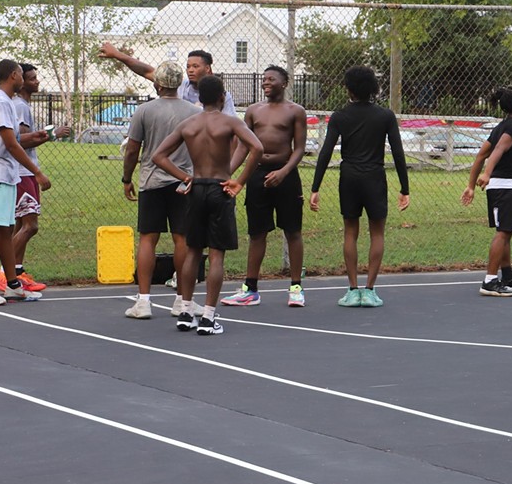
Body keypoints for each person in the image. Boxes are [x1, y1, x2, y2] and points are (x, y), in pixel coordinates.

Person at [152, 76, 262, 334]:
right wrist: (239, 182)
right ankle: (209, 317)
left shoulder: (188, 124)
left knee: (192, 251)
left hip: (197, 187)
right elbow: (256, 147)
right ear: (222, 97)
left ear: (200, 98)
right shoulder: (230, 121)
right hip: (219, 189)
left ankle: (186, 311)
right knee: (216, 254)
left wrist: (185, 177)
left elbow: (158, 155)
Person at [309, 66, 410, 308]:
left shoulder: (340, 116)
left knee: (350, 231)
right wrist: (404, 188)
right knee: (377, 233)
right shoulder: (385, 116)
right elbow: (398, 152)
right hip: (375, 176)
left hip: (350, 176)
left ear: (348, 88)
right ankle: (370, 290)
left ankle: (353, 290)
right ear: (373, 89)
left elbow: (325, 152)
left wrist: (315, 187)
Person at [221, 65, 309, 308]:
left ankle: (296, 287)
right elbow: (242, 146)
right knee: (257, 233)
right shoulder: (253, 110)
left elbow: (299, 148)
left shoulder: (296, 111)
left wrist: (283, 172)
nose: (266, 82)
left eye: (271, 79)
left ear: (283, 83)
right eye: (264, 79)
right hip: (258, 176)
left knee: (292, 231)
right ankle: (250, 289)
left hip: (286, 176)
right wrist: (229, 171)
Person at [121, 61, 199, 320]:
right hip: (183, 182)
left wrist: (127, 177)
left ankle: (143, 302)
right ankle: (182, 300)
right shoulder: (193, 111)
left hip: (151, 181)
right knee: (182, 239)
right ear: (179, 84)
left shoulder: (145, 110)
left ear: (157, 84)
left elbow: (133, 149)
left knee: (148, 238)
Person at [0, 60, 52, 306]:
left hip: (5, 174)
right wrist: (36, 171)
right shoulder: (0, 102)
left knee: (6, 231)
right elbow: (11, 143)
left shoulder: (5, 102)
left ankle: (13, 284)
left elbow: (15, 139)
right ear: (15, 76)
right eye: (21, 75)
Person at [2, 63, 72, 292]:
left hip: (24, 172)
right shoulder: (20, 106)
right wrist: (52, 134)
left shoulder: (20, 105)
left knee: (21, 224)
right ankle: (6, 274)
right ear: (20, 80)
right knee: (31, 226)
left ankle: (17, 273)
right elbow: (21, 140)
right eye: (31, 78)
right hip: (23, 173)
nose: (36, 82)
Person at [461, 87, 512, 297]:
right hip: (504, 186)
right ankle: (490, 280)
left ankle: (507, 275)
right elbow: (499, 149)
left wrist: (471, 186)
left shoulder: (502, 126)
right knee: (503, 233)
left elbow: (481, 155)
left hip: (500, 186)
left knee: (505, 230)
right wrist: (487, 173)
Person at [98, 42, 237, 116]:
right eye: (188, 67)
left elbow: (231, 125)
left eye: (195, 66)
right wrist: (117, 55)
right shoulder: (179, 85)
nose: (190, 70)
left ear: (207, 68)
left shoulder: (221, 96)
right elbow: (148, 71)